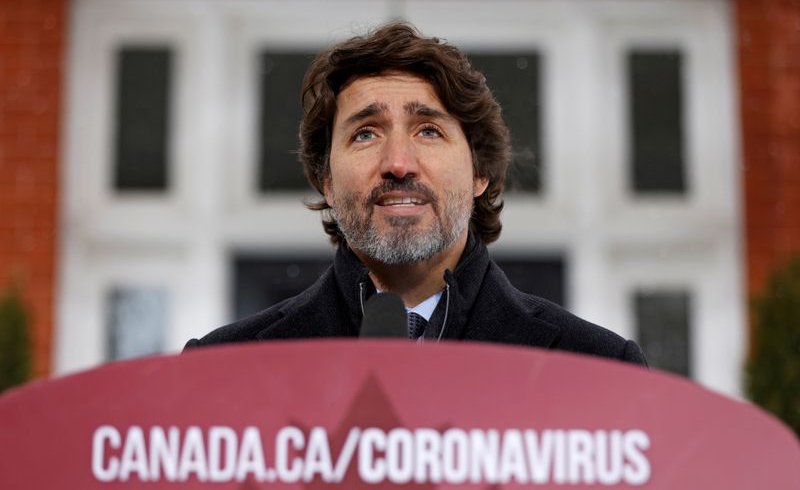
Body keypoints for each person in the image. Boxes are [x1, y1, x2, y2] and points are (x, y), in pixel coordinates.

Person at [185, 22, 647, 365]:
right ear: (326, 178)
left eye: (428, 130)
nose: (398, 163)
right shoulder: (222, 367)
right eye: (365, 133)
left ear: (479, 172)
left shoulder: (599, 368)